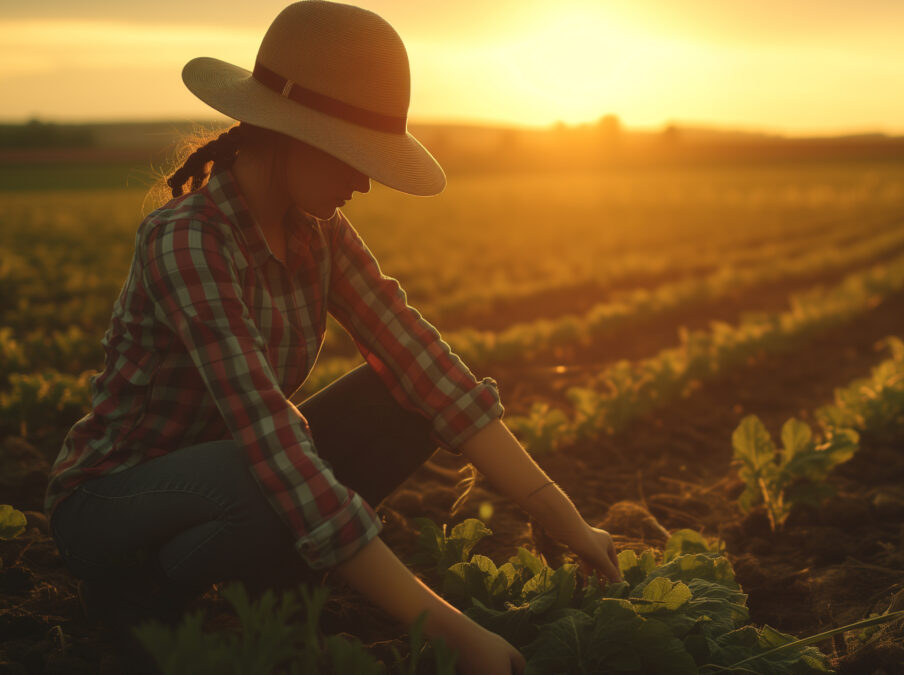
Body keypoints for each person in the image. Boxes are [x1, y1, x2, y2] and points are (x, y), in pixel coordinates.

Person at [43, 3, 620, 673]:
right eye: (354, 154)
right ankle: (144, 594)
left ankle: (276, 568)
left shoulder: (317, 232)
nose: (366, 179)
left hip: (240, 478)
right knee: (261, 468)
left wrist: (566, 519)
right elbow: (269, 436)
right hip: (110, 505)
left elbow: (425, 364)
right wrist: (458, 635)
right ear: (292, 132)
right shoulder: (187, 242)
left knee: (398, 393)